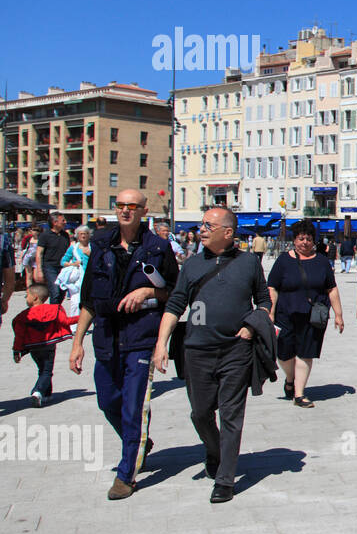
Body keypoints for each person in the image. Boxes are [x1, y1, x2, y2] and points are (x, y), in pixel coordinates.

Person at [152, 207, 272, 503]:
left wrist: (252, 327)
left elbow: (264, 301)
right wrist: (160, 344)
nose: (201, 229)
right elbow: (175, 304)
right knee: (200, 413)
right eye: (201, 224)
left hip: (236, 350)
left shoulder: (248, 263)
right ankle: (214, 449)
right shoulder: (191, 265)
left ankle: (225, 479)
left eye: (208, 225)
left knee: (231, 414)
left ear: (227, 232)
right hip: (196, 350)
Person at [68, 190, 178, 498]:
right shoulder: (101, 244)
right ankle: (140, 440)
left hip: (141, 337)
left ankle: (126, 474)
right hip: (106, 336)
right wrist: (77, 343)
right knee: (107, 401)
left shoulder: (158, 247)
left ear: (144, 210)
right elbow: (89, 298)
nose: (125, 211)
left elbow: (174, 292)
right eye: (120, 206)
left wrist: (147, 294)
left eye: (132, 206)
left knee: (132, 408)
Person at [267, 221, 343, 408]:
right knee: (283, 354)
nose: (305, 243)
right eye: (301, 239)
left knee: (305, 353)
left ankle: (299, 394)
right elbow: (272, 287)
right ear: (294, 240)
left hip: (313, 316)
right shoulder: (283, 261)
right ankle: (290, 378)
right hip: (285, 314)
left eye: (309, 239)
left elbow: (331, 288)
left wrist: (339, 314)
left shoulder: (322, 262)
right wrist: (270, 311)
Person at [12, 283, 77, 408]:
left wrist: (17, 351)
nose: (26, 298)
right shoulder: (54, 309)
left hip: (34, 348)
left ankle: (46, 394)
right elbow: (66, 321)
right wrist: (84, 317)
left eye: (27, 296)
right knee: (46, 371)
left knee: (43, 370)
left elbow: (19, 335)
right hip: (49, 346)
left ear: (35, 297)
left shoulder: (23, 316)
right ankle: (37, 392)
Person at [35, 212, 71, 305]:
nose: (65, 222)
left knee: (62, 292)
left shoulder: (65, 235)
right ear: (55, 222)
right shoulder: (45, 235)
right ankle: (53, 315)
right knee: (55, 291)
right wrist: (39, 271)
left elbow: (69, 252)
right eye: (62, 220)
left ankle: (56, 311)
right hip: (50, 266)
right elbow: (39, 253)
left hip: (63, 267)